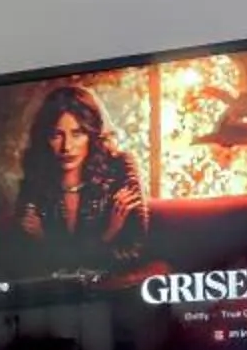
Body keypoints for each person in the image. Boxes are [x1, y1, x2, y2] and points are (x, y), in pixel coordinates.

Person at [13, 83, 147, 265]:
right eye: (56, 135)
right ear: (45, 138)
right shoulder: (36, 175)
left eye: (77, 134)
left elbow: (133, 252)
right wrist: (109, 234)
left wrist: (47, 242)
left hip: (111, 284)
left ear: (92, 135)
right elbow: (28, 256)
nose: (66, 147)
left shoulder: (120, 167)